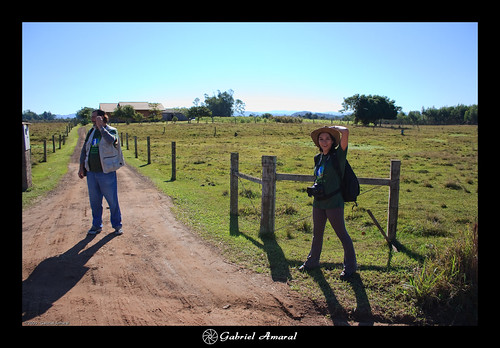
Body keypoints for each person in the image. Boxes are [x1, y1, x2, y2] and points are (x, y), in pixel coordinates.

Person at [299, 126, 357, 279]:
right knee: (317, 234)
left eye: (327, 139)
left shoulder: (338, 156)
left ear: (333, 141)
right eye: (321, 139)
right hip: (319, 202)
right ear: (318, 142)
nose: (324, 142)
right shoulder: (318, 158)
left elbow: (345, 132)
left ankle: (350, 267)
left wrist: (333, 128)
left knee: (342, 235)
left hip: (334, 202)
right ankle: (312, 262)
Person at [78, 109, 125, 235]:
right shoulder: (91, 131)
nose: (92, 119)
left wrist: (101, 127)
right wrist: (81, 167)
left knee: (112, 200)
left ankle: (117, 225)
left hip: (106, 172)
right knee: (95, 201)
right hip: (92, 173)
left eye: (95, 117)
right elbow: (84, 150)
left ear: (102, 118)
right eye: (92, 117)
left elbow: (111, 141)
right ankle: (96, 225)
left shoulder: (111, 130)